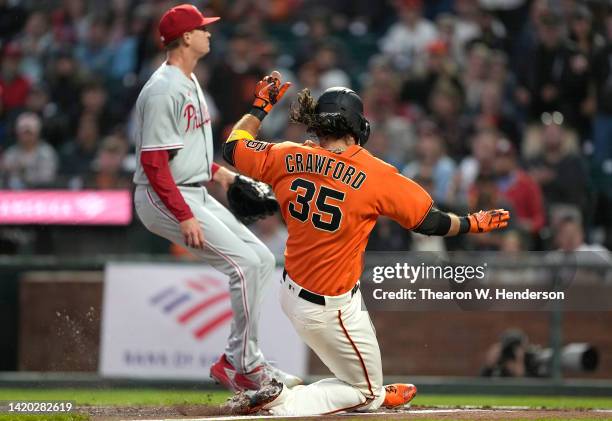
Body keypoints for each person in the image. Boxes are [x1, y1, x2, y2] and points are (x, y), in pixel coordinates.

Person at [221, 71, 510, 415]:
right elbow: (429, 222)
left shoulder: (285, 155)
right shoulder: (375, 174)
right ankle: (284, 399)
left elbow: (233, 147)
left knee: (364, 383)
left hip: (295, 290)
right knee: (365, 392)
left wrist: (260, 106)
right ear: (357, 125)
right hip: (329, 306)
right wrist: (471, 223)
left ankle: (369, 390)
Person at [131, 4, 301, 392]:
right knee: (242, 265)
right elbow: (155, 164)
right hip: (165, 197)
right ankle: (245, 366)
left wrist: (221, 174)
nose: (209, 34)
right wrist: (184, 216)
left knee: (259, 259)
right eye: (202, 29)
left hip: (193, 189)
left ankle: (240, 359)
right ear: (186, 37)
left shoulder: (190, 82)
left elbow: (183, 152)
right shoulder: (163, 89)